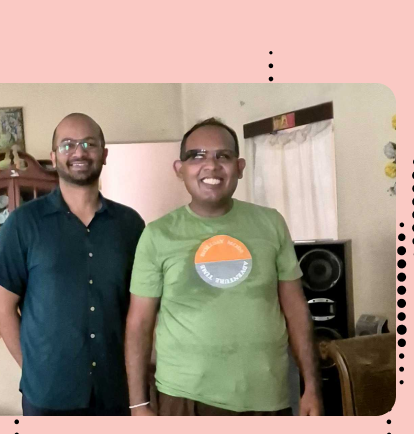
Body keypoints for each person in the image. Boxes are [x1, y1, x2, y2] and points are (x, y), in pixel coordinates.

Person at [124, 118, 322, 416]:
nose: (211, 166)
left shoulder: (271, 223)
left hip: (267, 396)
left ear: (239, 167)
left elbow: (296, 310)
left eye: (223, 156)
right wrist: (138, 405)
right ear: (179, 169)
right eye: (197, 156)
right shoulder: (157, 235)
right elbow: (139, 323)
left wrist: (312, 388)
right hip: (186, 397)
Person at [0, 113, 145, 416]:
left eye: (89, 144)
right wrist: (34, 368)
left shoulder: (130, 225)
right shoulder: (23, 224)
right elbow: (1, 308)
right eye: (68, 145)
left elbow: (141, 310)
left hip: (115, 390)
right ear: (53, 157)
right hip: (48, 396)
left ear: (104, 154)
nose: (79, 152)